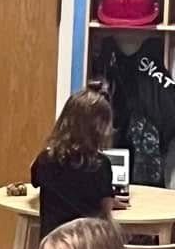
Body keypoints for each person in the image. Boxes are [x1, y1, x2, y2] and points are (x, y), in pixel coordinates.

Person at [30, 87, 122, 238]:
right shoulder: (101, 164)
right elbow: (105, 210)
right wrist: (111, 200)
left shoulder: (45, 159)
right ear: (99, 129)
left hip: (53, 242)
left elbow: (35, 181)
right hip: (87, 243)